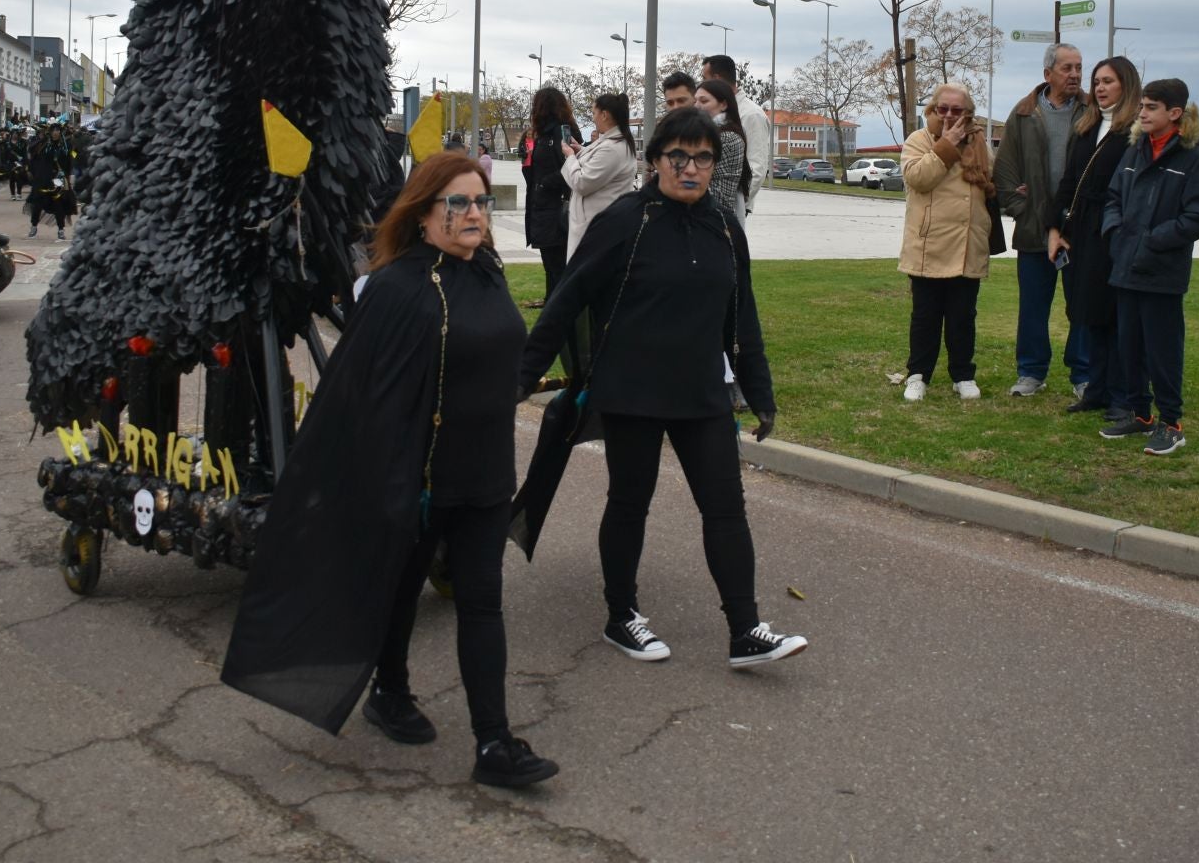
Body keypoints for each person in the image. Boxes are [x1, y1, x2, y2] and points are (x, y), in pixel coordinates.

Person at [223, 151, 559, 788]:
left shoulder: (485, 272)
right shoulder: (399, 286)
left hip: (486, 474)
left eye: (481, 202)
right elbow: (362, 387)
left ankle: (493, 743)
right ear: (424, 213)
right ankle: (390, 690)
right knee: (400, 589)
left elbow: (494, 354)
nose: (472, 214)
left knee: (483, 603)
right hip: (421, 479)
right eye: (456, 203)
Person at [517, 106, 807, 671]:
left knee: (726, 507)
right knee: (630, 501)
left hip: (702, 392)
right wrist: (522, 375)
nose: (691, 168)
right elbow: (567, 300)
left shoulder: (724, 225)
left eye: (702, 157)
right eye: (679, 156)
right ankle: (620, 614)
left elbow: (741, 317)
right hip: (632, 391)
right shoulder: (626, 221)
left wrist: (759, 392)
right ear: (655, 161)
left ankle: (745, 629)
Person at [1098, 78, 1199, 454]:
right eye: (1142, 107)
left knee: (1162, 350)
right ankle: (1140, 413)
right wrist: (1116, 233)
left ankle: (1171, 422)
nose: (1142, 113)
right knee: (1128, 345)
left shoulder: (1194, 156)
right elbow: (1113, 197)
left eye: (1151, 107)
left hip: (1162, 272)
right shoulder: (1135, 150)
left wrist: (1153, 240)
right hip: (1125, 267)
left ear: (1175, 113)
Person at [1048, 58, 1143, 420]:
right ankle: (1097, 389)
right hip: (1081, 232)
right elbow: (1069, 182)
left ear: (1127, 85)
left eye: (1109, 81)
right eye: (1097, 82)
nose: (1100, 88)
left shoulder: (1135, 129)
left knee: (1116, 317)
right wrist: (1054, 229)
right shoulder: (1087, 126)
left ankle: (1124, 395)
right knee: (1090, 315)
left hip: (1114, 231)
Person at [993, 42, 1090, 398]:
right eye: (1067, 68)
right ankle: (1031, 372)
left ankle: (1084, 374)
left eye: (1079, 67)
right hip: (1034, 230)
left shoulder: (1093, 111)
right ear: (1048, 74)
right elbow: (1004, 172)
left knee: (1081, 306)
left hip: (1079, 231)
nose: (1075, 74)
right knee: (1033, 308)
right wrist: (1023, 210)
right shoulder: (1023, 114)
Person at [894, 82, 998, 401]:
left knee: (962, 317)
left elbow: (990, 183)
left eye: (958, 110)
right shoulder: (918, 140)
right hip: (929, 244)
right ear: (933, 110)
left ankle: (963, 375)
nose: (950, 116)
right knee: (925, 316)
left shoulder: (980, 142)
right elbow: (918, 178)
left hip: (968, 243)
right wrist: (947, 145)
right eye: (944, 109)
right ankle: (918, 375)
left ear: (969, 113)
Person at [560, 92, 637, 257]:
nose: (593, 119)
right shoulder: (612, 142)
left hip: (596, 229)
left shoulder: (612, 148)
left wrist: (570, 156)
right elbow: (596, 161)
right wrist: (579, 150)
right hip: (597, 226)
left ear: (604, 115)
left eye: (594, 113)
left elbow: (582, 182)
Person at [521, 87, 578, 294]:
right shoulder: (544, 134)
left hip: (554, 209)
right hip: (543, 207)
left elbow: (571, 165)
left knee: (557, 266)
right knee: (552, 266)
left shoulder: (560, 131)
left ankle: (560, 317)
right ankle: (551, 307)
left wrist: (544, 183)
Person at [701, 54, 769, 211]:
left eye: (705, 78)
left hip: (730, 208)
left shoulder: (752, 115)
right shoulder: (712, 112)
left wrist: (733, 205)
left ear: (716, 79)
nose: (702, 84)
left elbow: (757, 169)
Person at [693, 78, 751, 222]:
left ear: (724, 104)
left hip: (713, 219)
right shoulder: (709, 133)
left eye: (704, 101)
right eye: (695, 101)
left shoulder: (726, 138)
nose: (696, 106)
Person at [27, 121, 78, 239]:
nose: (56, 133)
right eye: (54, 130)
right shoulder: (43, 144)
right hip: (43, 178)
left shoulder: (65, 145)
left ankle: (61, 229)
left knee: (59, 203)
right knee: (38, 203)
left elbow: (70, 160)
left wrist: (67, 175)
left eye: (58, 130)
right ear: (50, 132)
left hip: (59, 178)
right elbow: (32, 155)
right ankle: (33, 227)